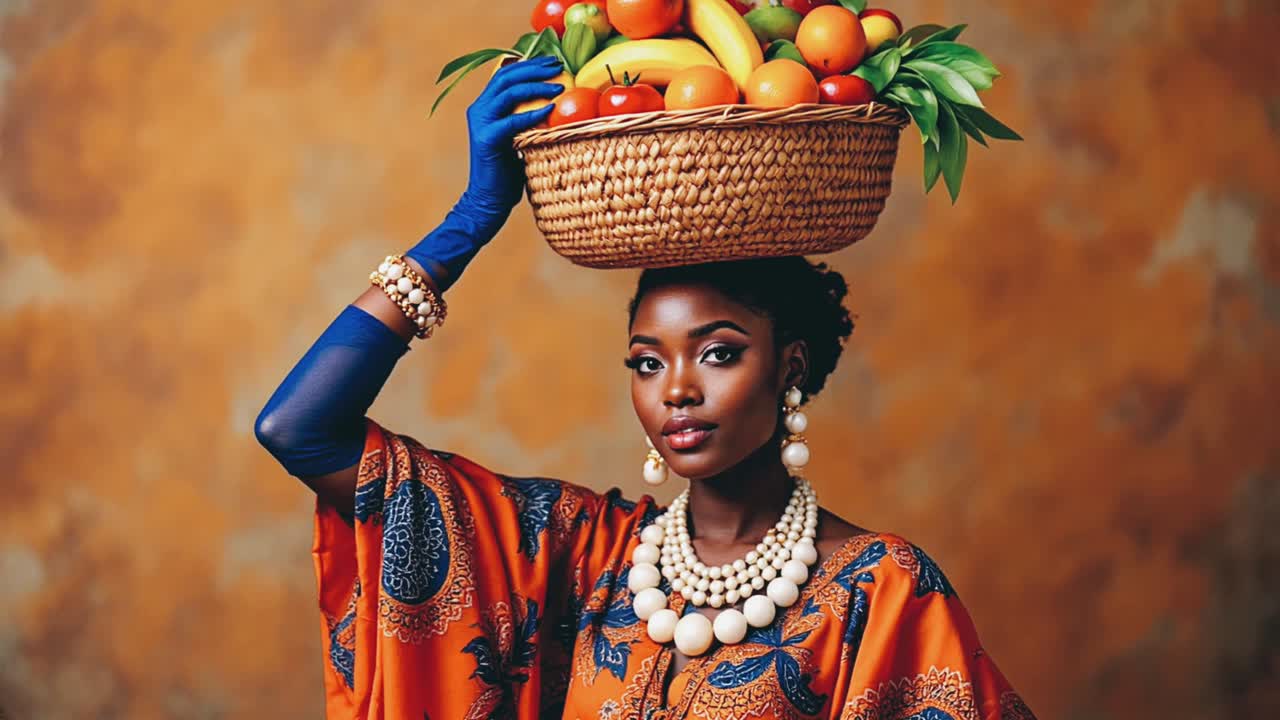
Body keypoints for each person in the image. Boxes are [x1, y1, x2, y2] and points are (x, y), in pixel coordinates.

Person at [255, 56, 1036, 720]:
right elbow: (300, 428)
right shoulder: (584, 555)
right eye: (647, 362)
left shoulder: (878, 589)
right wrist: (472, 217)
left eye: (718, 354)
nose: (677, 391)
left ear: (790, 366)